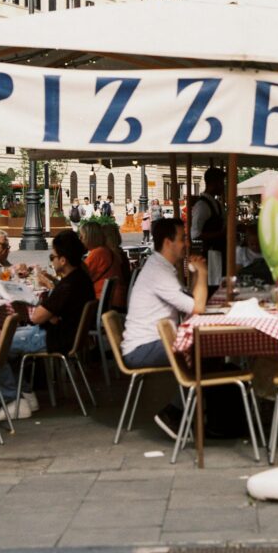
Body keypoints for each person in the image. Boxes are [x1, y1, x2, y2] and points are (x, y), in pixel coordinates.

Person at [0, 230, 95, 420]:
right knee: (9, 339)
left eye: (53, 256)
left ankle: (12, 401)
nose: (52, 260)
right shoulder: (80, 279)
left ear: (63, 260)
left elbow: (37, 317)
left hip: (55, 338)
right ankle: (26, 394)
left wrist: (42, 303)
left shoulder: (68, 286)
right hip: (67, 335)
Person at [120, 215, 207, 438]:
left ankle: (195, 412)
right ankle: (174, 413)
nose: (186, 243)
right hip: (142, 348)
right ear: (168, 243)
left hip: (148, 343)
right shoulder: (159, 272)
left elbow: (190, 305)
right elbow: (197, 308)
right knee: (198, 350)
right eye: (182, 239)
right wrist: (203, 274)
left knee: (200, 349)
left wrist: (196, 275)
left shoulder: (161, 267)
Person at [80, 220, 129, 309]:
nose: (80, 240)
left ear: (89, 237)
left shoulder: (98, 253)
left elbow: (78, 278)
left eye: (82, 237)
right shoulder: (106, 251)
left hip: (105, 304)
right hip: (115, 300)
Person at [191, 167, 225, 286]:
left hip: (219, 253)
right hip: (210, 255)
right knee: (213, 285)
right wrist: (220, 234)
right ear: (213, 183)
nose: (223, 186)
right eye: (221, 182)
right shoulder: (202, 206)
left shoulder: (216, 204)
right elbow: (195, 234)